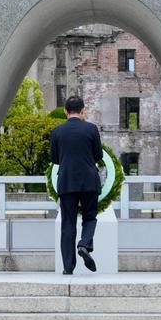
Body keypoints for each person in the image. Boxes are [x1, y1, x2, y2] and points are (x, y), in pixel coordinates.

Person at [49, 95, 102, 274]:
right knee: (90, 217)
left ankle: (68, 267)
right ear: (82, 110)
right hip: (89, 180)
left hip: (67, 180)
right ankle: (85, 244)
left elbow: (55, 159)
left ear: (65, 111)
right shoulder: (91, 129)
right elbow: (98, 156)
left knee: (68, 223)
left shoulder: (56, 131)